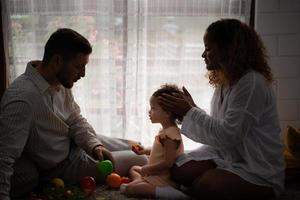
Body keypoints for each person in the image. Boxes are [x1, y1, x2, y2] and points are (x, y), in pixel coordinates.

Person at [0, 28, 147, 200]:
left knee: (137, 146)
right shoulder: (22, 100)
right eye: (78, 67)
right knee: (142, 160)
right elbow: (4, 158)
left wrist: (94, 145)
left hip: (75, 142)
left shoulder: (59, 81)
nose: (83, 74)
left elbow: (75, 119)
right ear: (57, 60)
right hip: (64, 164)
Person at [158, 19, 285, 200]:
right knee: (178, 168)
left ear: (229, 50)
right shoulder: (225, 82)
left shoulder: (252, 83)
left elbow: (228, 135)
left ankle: (230, 182)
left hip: (257, 168)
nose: (203, 55)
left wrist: (190, 111)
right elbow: (218, 127)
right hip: (227, 154)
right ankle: (218, 175)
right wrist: (191, 109)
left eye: (208, 49)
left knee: (206, 185)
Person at [120, 84, 188, 199]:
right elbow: (161, 151)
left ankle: (170, 193)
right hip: (153, 174)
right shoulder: (165, 131)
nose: (149, 111)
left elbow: (168, 162)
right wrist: (144, 151)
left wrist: (147, 169)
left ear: (167, 112)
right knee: (134, 168)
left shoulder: (170, 134)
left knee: (131, 189)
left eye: (153, 108)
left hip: (162, 178)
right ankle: (141, 182)